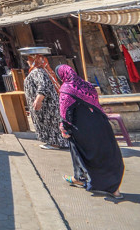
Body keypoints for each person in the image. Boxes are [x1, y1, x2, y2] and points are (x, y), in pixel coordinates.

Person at [56, 64, 124, 199]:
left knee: (84, 153)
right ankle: (114, 189)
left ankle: (80, 177)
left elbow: (65, 114)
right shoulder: (87, 85)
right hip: (101, 124)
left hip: (83, 130)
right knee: (108, 155)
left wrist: (65, 129)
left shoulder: (66, 89)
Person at [23, 54, 67, 150]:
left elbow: (43, 86)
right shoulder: (41, 71)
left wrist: (39, 100)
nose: (27, 61)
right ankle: (54, 142)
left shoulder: (37, 72)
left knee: (51, 122)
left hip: (47, 105)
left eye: (29, 59)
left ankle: (55, 143)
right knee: (49, 122)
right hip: (47, 104)